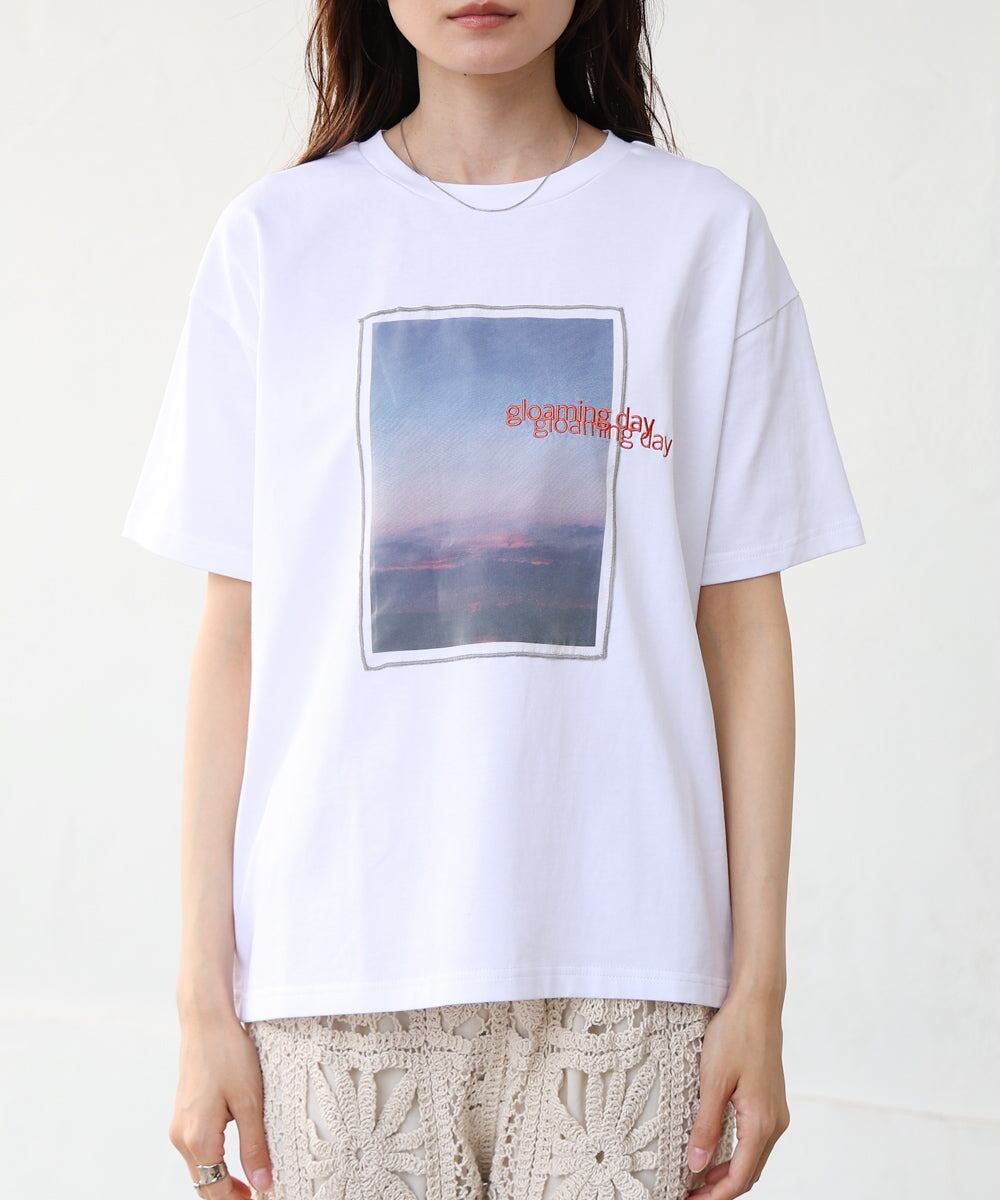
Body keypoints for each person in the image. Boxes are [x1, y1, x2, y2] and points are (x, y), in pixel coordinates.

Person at [121, 2, 866, 1198]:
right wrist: (200, 1001)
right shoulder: (276, 241)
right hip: (335, 978)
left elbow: (744, 633)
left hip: (632, 978)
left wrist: (758, 989)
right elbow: (234, 640)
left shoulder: (702, 236)